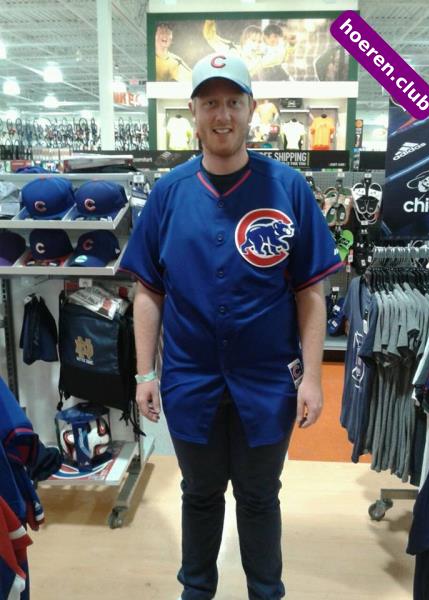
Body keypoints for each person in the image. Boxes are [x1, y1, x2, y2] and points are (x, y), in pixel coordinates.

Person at [120, 53, 342, 600]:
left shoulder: (288, 188)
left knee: (260, 496)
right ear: (193, 112)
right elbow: (148, 291)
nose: (223, 115)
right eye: (211, 103)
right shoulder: (169, 194)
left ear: (251, 110)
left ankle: (266, 591)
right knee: (199, 495)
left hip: (267, 382)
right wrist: (144, 373)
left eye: (234, 102)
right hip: (190, 379)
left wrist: (313, 378)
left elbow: (311, 292)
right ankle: (196, 591)